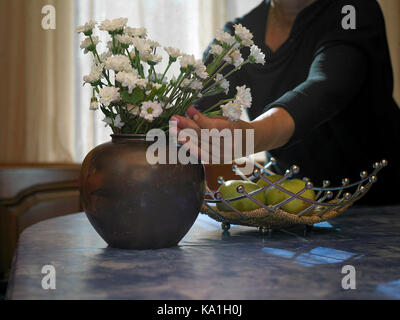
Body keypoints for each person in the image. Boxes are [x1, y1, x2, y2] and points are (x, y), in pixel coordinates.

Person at [171, 0, 400, 205]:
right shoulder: (239, 34)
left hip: (379, 204)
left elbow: (326, 86)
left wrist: (251, 136)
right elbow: (197, 105)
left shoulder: (352, 11)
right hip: (288, 207)